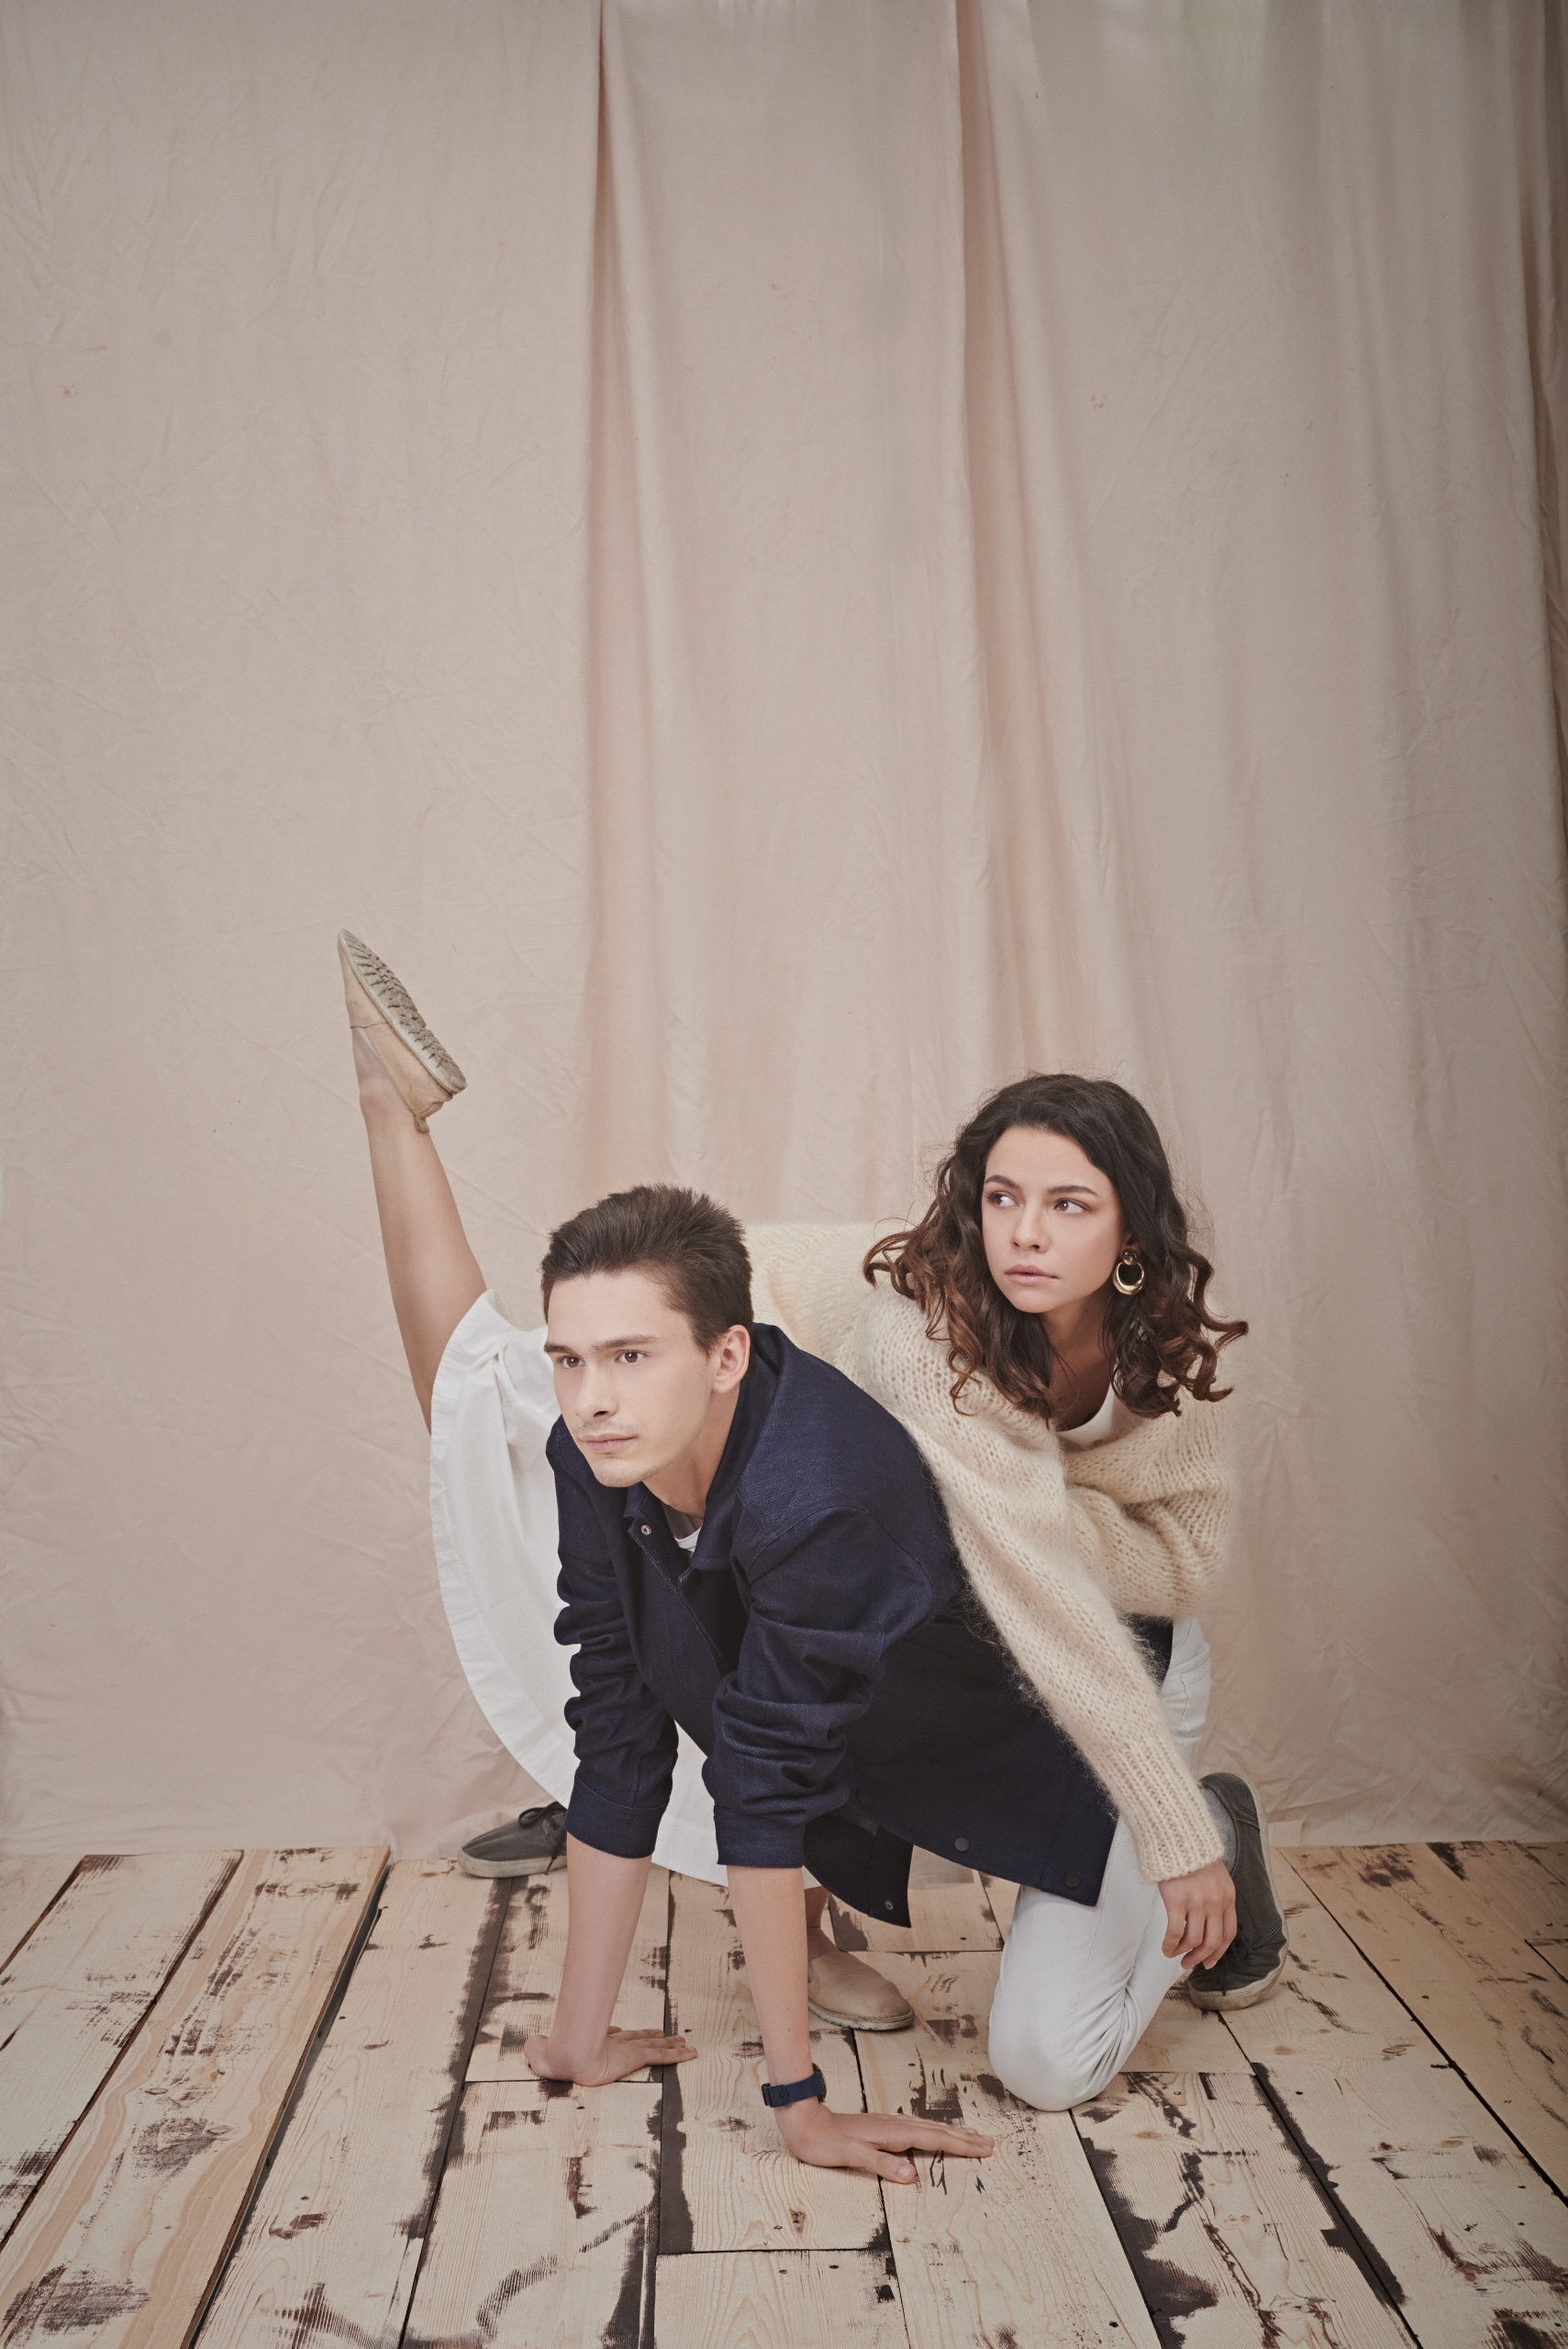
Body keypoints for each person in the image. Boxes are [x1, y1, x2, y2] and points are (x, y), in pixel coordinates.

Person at [341, 931, 1285, 2132]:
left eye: (1068, 1206)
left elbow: (1172, 1569)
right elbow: (702, 1709)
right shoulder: (923, 1335)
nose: (1026, 1234)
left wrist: (1172, 1825)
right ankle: (391, 1114)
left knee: (1049, 2062)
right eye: (1001, 1199)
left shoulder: (1170, 1372)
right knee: (512, 1429)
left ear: (1131, 1240)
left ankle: (1217, 1826)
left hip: (1118, 1673)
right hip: (818, 1443)